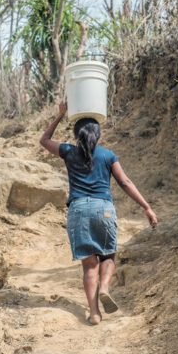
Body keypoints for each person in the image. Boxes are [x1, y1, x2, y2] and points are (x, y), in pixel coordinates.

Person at [40, 102, 158, 325]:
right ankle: (105, 287)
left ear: (76, 134)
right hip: (103, 208)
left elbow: (44, 141)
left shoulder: (68, 151)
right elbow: (124, 182)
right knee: (108, 256)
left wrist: (60, 115)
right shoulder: (108, 155)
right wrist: (146, 207)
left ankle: (94, 313)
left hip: (78, 209)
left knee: (89, 265)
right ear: (98, 134)